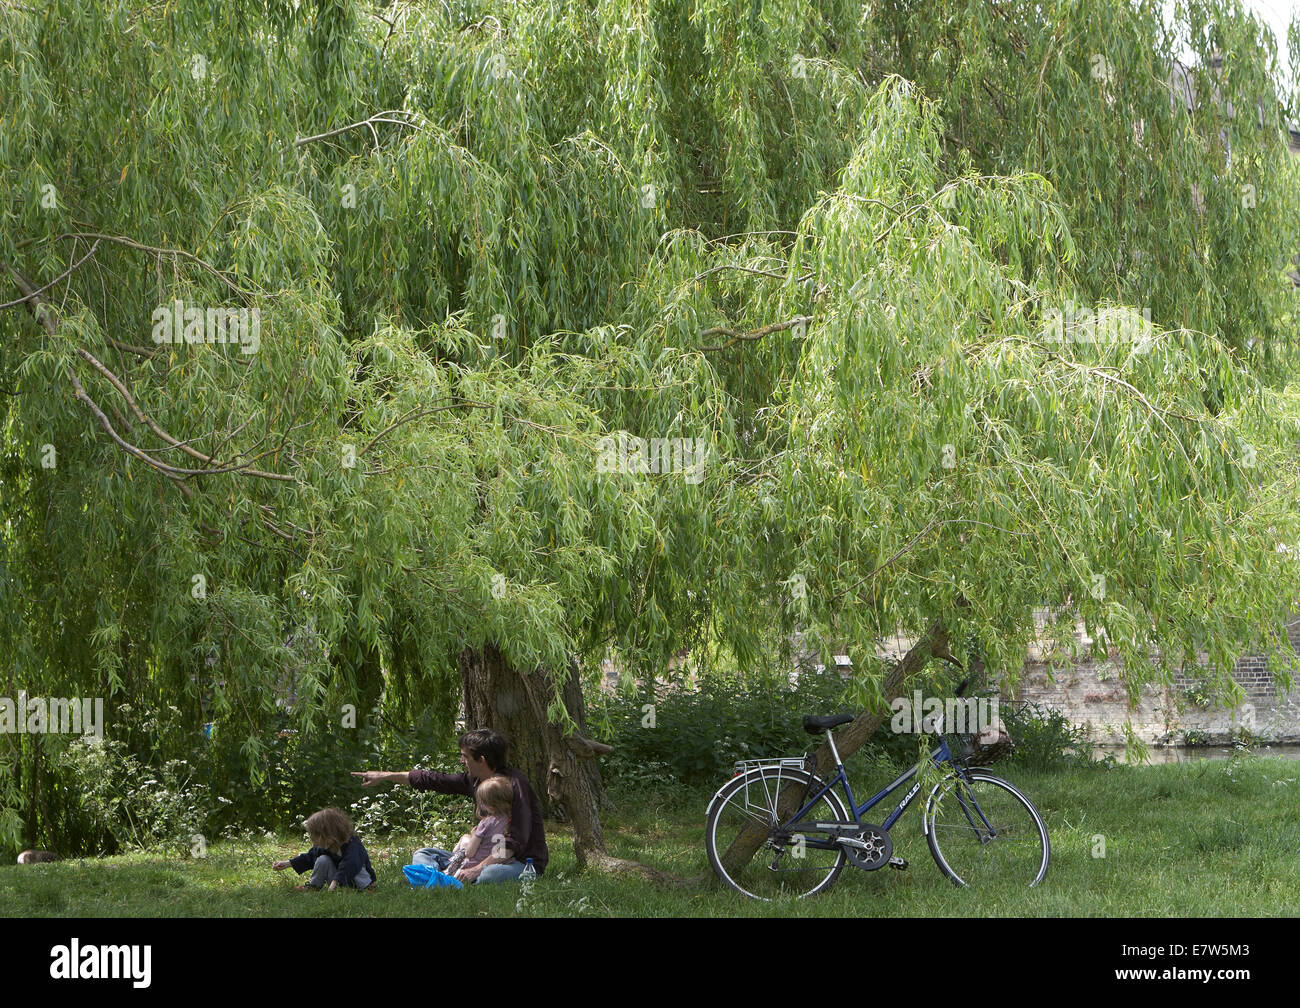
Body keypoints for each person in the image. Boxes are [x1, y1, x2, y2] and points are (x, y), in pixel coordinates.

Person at [352, 728, 548, 884]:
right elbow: (433, 779)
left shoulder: (515, 785)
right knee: (423, 854)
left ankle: (447, 879)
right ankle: (446, 879)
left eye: (465, 756)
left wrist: (477, 869)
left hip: (519, 862)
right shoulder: (475, 780)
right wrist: (385, 776)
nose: (462, 760)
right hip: (478, 857)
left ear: (482, 760)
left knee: (490, 876)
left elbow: (514, 842)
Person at [273, 807, 376, 891]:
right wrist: (288, 863)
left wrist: (335, 882)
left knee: (355, 864)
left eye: (315, 835)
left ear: (329, 835)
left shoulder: (352, 844)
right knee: (322, 860)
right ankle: (314, 886)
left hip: (357, 880)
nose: (312, 839)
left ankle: (367, 888)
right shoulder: (325, 846)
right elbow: (310, 856)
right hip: (340, 882)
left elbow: (350, 864)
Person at [444, 774, 513, 880]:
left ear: (489, 805)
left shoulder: (486, 823)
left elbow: (470, 852)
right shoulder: (511, 820)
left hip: (473, 865)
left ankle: (448, 865)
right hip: (501, 864)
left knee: (464, 842)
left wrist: (473, 834)